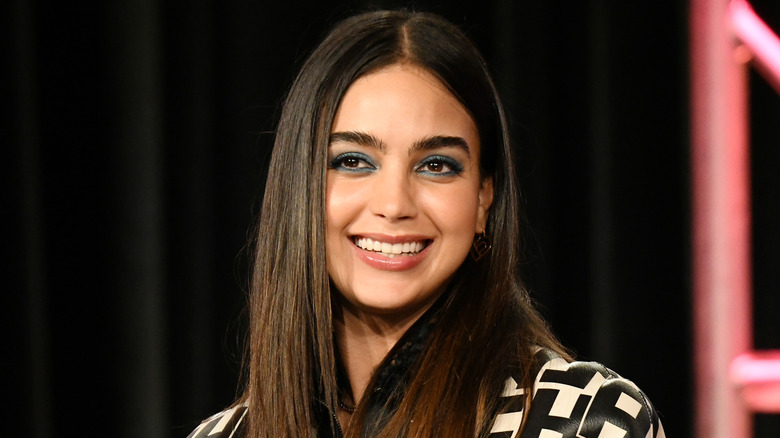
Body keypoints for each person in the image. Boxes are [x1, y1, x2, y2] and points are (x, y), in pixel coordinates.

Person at [188, 10, 665, 438]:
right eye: (353, 160)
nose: (394, 204)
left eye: (436, 165)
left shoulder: (586, 421)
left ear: (484, 198)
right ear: (299, 187)